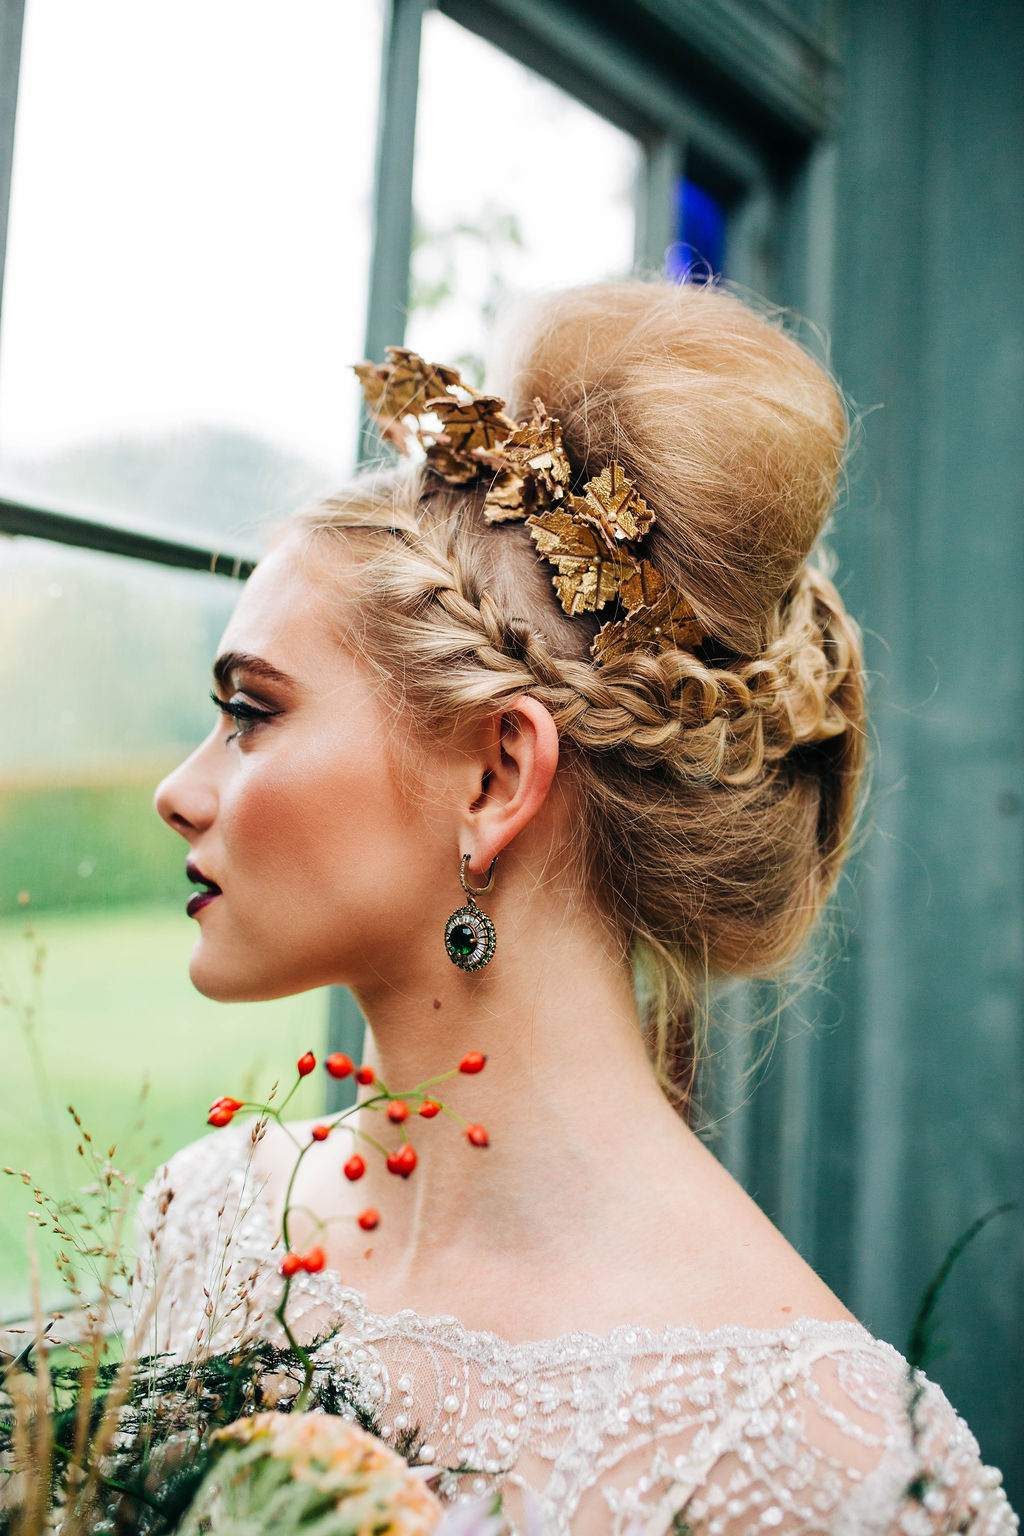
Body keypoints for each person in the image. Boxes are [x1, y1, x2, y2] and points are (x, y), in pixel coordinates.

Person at [141, 278, 1016, 1534]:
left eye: (250, 713)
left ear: (497, 774)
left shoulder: (827, 1465)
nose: (181, 791)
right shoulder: (208, 1225)